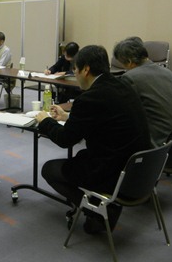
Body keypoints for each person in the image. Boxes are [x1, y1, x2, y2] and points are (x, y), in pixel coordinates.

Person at [35, 45, 151, 234]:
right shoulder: (123, 85)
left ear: (86, 69)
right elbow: (104, 120)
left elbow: (65, 139)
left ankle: (98, 210)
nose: (75, 74)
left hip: (114, 172)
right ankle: (99, 207)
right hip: (140, 171)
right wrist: (68, 117)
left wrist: (45, 120)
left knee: (50, 169)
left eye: (75, 69)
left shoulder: (90, 98)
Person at [113, 37, 172, 146]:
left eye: (123, 64)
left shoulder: (130, 77)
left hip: (157, 144)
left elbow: (123, 113)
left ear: (130, 61)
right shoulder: (168, 72)